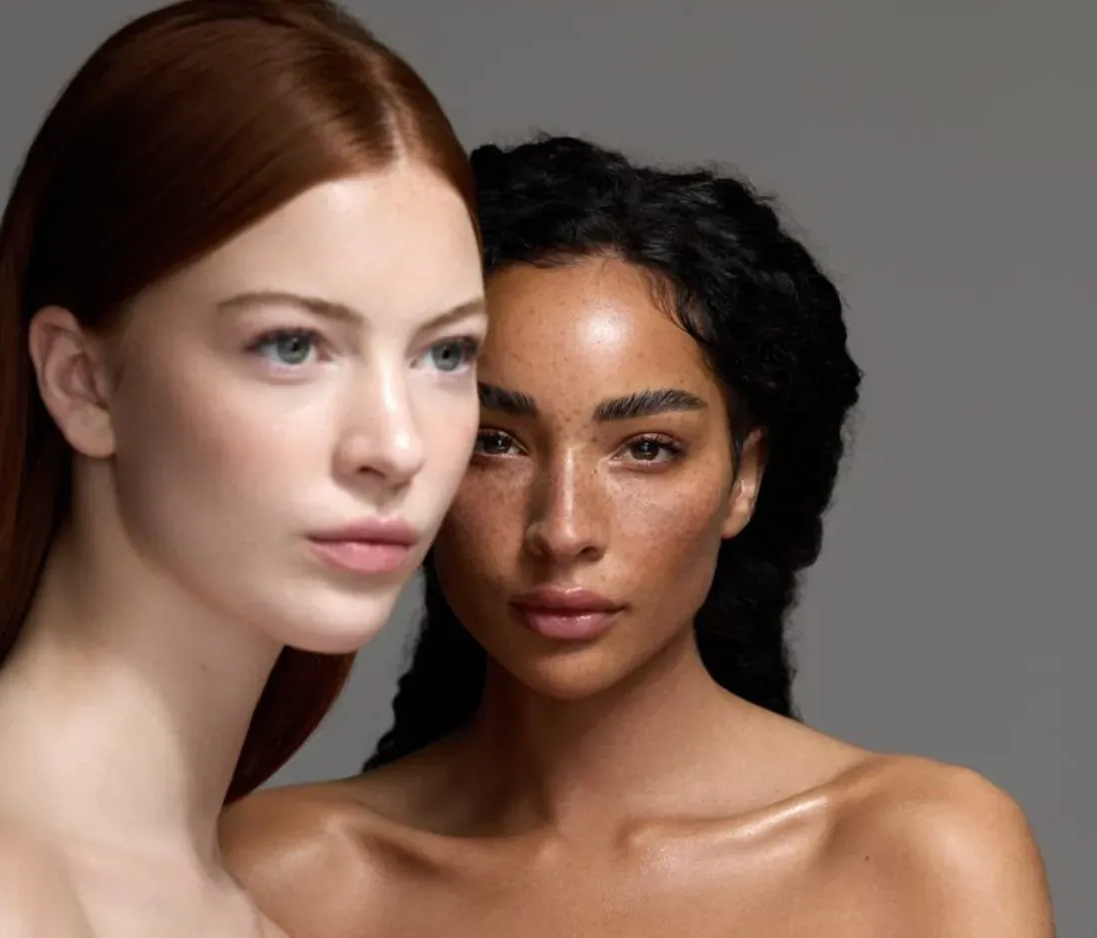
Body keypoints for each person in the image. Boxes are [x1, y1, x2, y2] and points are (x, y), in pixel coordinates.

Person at [0, 2, 489, 936]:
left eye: (446, 355)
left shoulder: (215, 899)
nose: (396, 445)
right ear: (83, 382)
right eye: (293, 345)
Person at [219, 134, 1055, 937]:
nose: (564, 530)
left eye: (647, 449)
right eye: (495, 443)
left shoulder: (924, 855)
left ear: (745, 477)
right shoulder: (275, 873)